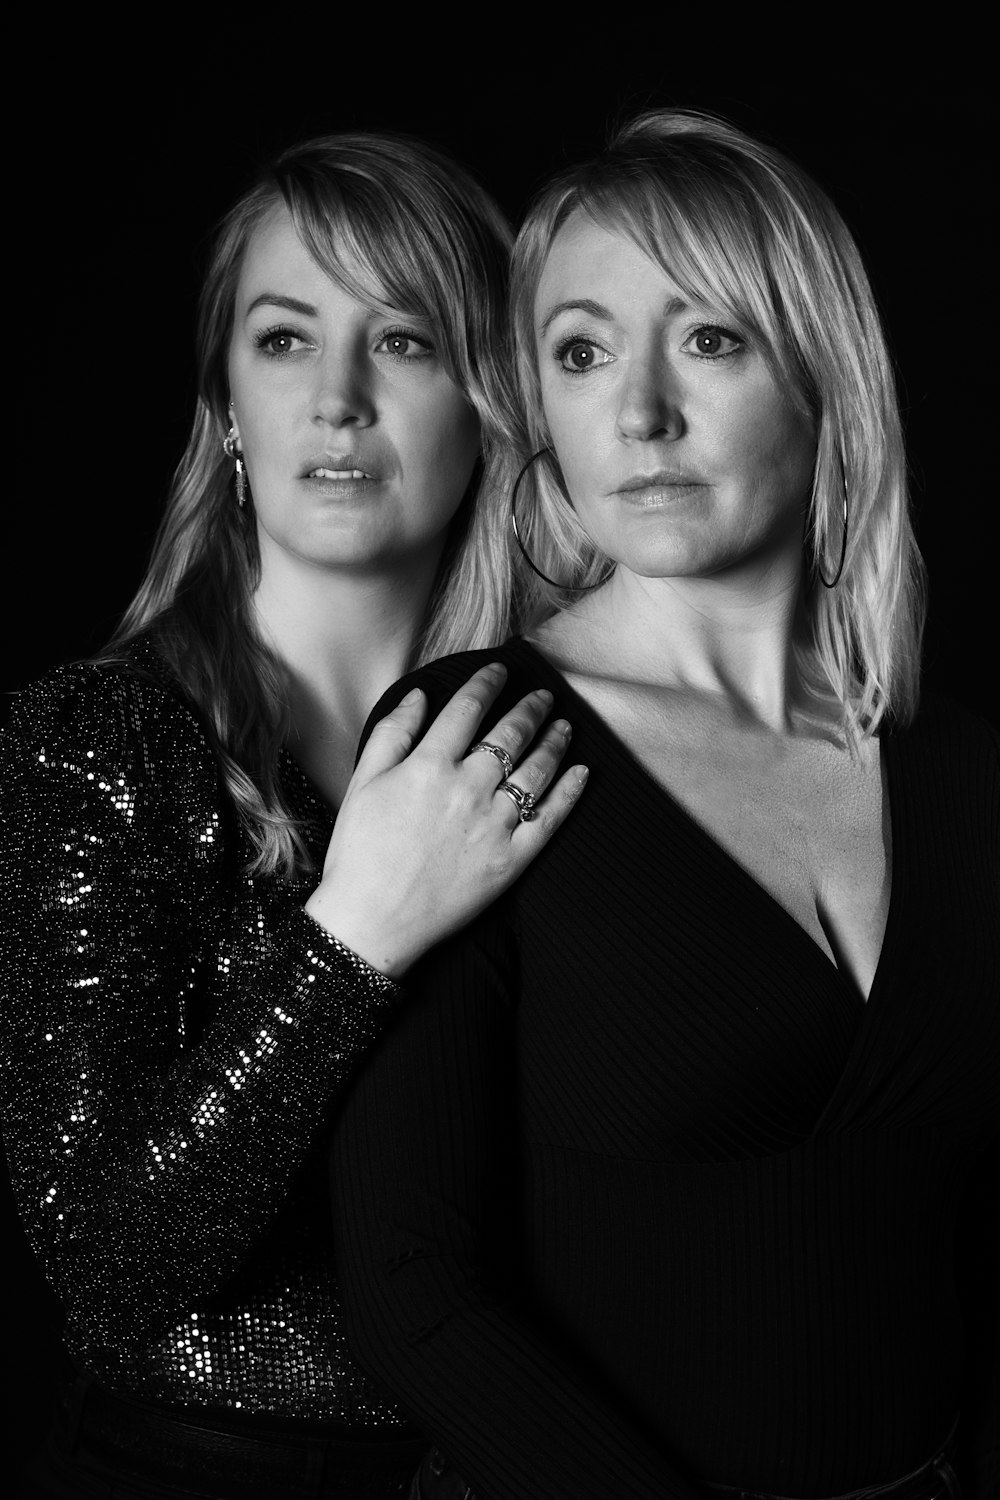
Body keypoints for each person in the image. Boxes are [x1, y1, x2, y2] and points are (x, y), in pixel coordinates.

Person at [330, 110, 1000, 1499]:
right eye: (581, 353)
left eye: (709, 340)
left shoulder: (961, 776)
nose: (638, 412)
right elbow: (410, 1285)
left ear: (821, 378)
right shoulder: (471, 740)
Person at [0, 132, 588, 1499]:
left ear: (492, 405)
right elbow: (105, 1258)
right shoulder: (100, 747)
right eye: (282, 341)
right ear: (223, 416)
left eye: (401, 341)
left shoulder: (562, 747)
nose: (336, 399)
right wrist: (356, 930)